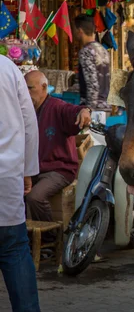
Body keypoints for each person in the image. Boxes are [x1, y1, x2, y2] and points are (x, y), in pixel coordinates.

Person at [0, 55, 64, 312]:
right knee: (13, 249)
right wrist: (28, 172)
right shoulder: (8, 69)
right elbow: (29, 124)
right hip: (6, 176)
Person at [24, 71, 91, 223]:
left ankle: (49, 239)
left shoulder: (57, 107)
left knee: (35, 197)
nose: (26, 93)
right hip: (33, 170)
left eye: (30, 88)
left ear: (44, 87)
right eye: (24, 89)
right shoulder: (27, 112)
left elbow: (75, 111)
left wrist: (84, 111)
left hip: (58, 170)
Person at [73, 14, 111, 110]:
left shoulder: (86, 52)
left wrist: (89, 110)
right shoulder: (103, 50)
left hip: (94, 109)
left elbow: (92, 84)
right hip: (105, 105)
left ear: (80, 31)